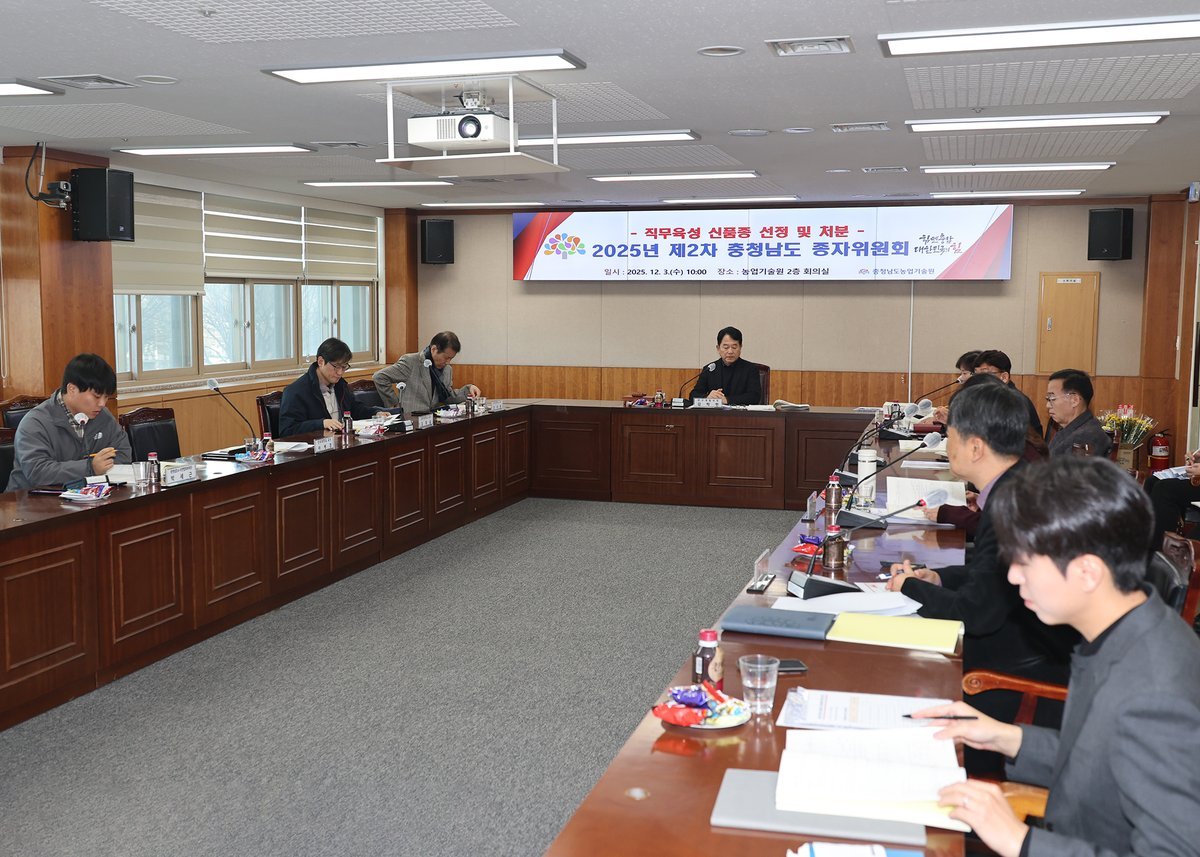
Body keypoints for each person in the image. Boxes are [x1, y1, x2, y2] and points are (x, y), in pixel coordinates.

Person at [915, 455, 1200, 857]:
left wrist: (1019, 841)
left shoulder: (1155, 693)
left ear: (1087, 572)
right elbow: (1100, 764)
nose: (1012, 576)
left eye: (1025, 562)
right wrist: (1003, 735)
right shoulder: (1123, 630)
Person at [887, 377, 1076, 766]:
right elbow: (991, 572)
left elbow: (977, 612)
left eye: (950, 435)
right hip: (1025, 642)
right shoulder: (1016, 485)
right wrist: (939, 578)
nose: (946, 443)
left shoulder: (1011, 504)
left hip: (1012, 674)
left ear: (975, 447)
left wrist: (910, 587)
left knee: (896, 669)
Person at [6, 353, 131, 491]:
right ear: (72, 389)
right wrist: (90, 467)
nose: (102, 403)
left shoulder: (103, 416)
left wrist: (102, 466)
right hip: (30, 499)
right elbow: (38, 472)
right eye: (96, 396)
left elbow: (123, 453)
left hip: (85, 496)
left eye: (106, 397)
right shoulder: (35, 423)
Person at [279, 337, 377, 437]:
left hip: (342, 441)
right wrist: (321, 424)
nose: (340, 372)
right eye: (336, 367)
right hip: (316, 445)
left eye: (344, 367)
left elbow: (356, 410)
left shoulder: (340, 385)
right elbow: (287, 430)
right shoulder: (296, 391)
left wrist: (376, 413)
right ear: (321, 361)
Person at [373, 331, 480, 415]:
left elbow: (448, 397)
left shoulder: (447, 369)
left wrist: (468, 389)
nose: (448, 362)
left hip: (433, 420)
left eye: (451, 359)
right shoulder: (411, 362)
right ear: (434, 349)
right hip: (411, 418)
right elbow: (379, 377)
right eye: (446, 357)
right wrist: (394, 404)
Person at [973, 349, 1043, 436]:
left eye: (985, 375)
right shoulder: (991, 397)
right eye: (976, 375)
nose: (978, 380)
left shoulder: (1013, 401)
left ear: (1004, 377)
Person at [1044, 368, 1112, 458]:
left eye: (1052, 398)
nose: (1048, 405)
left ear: (1074, 400)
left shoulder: (1086, 438)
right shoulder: (1076, 429)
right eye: (1047, 399)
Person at [687, 326, 762, 405]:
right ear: (718, 348)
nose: (730, 351)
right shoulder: (710, 369)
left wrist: (727, 400)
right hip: (714, 413)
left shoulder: (750, 369)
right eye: (726, 347)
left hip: (740, 412)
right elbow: (693, 395)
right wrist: (707, 397)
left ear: (740, 347)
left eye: (734, 347)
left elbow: (754, 396)